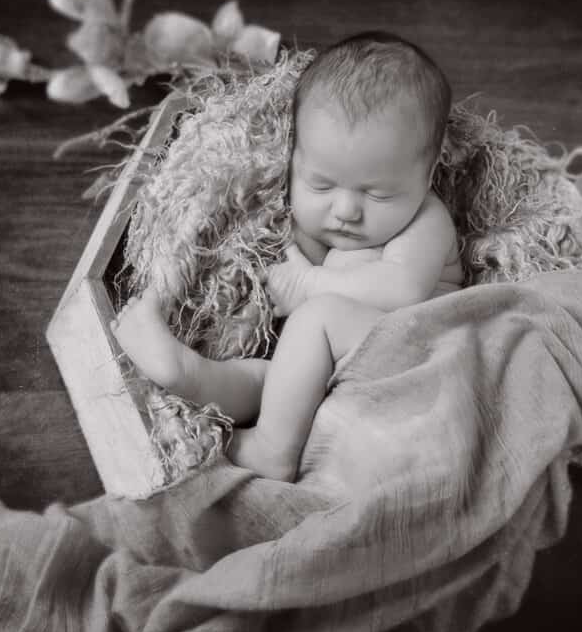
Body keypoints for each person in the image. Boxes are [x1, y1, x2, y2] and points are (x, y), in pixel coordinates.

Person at [113, 31, 464, 482]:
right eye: (321, 184)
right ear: (294, 159)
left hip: (418, 371)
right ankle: (189, 375)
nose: (346, 210)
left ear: (428, 174)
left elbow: (404, 290)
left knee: (316, 321)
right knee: (277, 379)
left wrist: (309, 285)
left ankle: (272, 450)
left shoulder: (426, 221)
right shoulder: (313, 225)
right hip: (339, 394)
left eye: (378, 194)